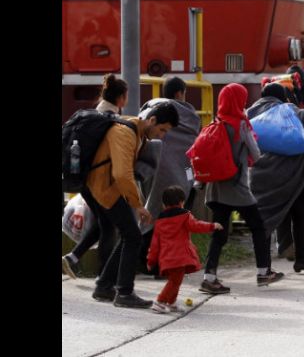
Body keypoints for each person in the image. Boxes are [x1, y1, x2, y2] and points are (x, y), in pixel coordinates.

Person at [89, 101, 179, 308]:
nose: (162, 135)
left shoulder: (136, 132)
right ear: (152, 120)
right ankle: (124, 292)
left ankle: (104, 287)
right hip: (105, 187)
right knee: (132, 236)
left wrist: (137, 202)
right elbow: (122, 174)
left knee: (129, 234)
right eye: (162, 129)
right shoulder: (125, 133)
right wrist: (138, 205)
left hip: (110, 187)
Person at [200, 83, 277, 293]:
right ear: (238, 101)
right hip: (237, 187)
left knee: (219, 233)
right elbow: (256, 153)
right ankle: (263, 272)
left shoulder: (214, 122)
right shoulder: (241, 124)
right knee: (258, 227)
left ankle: (209, 276)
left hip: (214, 188)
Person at [247, 83, 304, 273]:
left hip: (261, 175)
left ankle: (265, 265)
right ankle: (301, 259)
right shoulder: (297, 114)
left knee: (264, 219)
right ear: (284, 98)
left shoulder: (249, 115)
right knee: (300, 216)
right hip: (296, 176)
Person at [62, 74, 127, 278]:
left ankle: (72, 258)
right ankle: (104, 277)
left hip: (81, 178)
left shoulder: (87, 116)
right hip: (99, 181)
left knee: (102, 221)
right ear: (121, 99)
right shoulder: (112, 122)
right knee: (108, 225)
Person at [137, 77, 202, 275]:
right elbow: (192, 146)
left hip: (149, 171)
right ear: (179, 94)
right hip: (180, 175)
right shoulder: (190, 116)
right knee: (173, 223)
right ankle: (163, 265)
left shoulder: (149, 110)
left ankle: (144, 262)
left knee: (150, 215)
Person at [147, 186, 223, 313]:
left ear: (164, 204)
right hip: (180, 257)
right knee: (174, 281)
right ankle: (159, 301)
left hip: (166, 258)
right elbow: (196, 226)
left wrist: (151, 260)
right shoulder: (184, 216)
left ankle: (171, 303)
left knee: (175, 280)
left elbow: (155, 244)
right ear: (182, 202)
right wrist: (212, 225)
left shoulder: (160, 221)